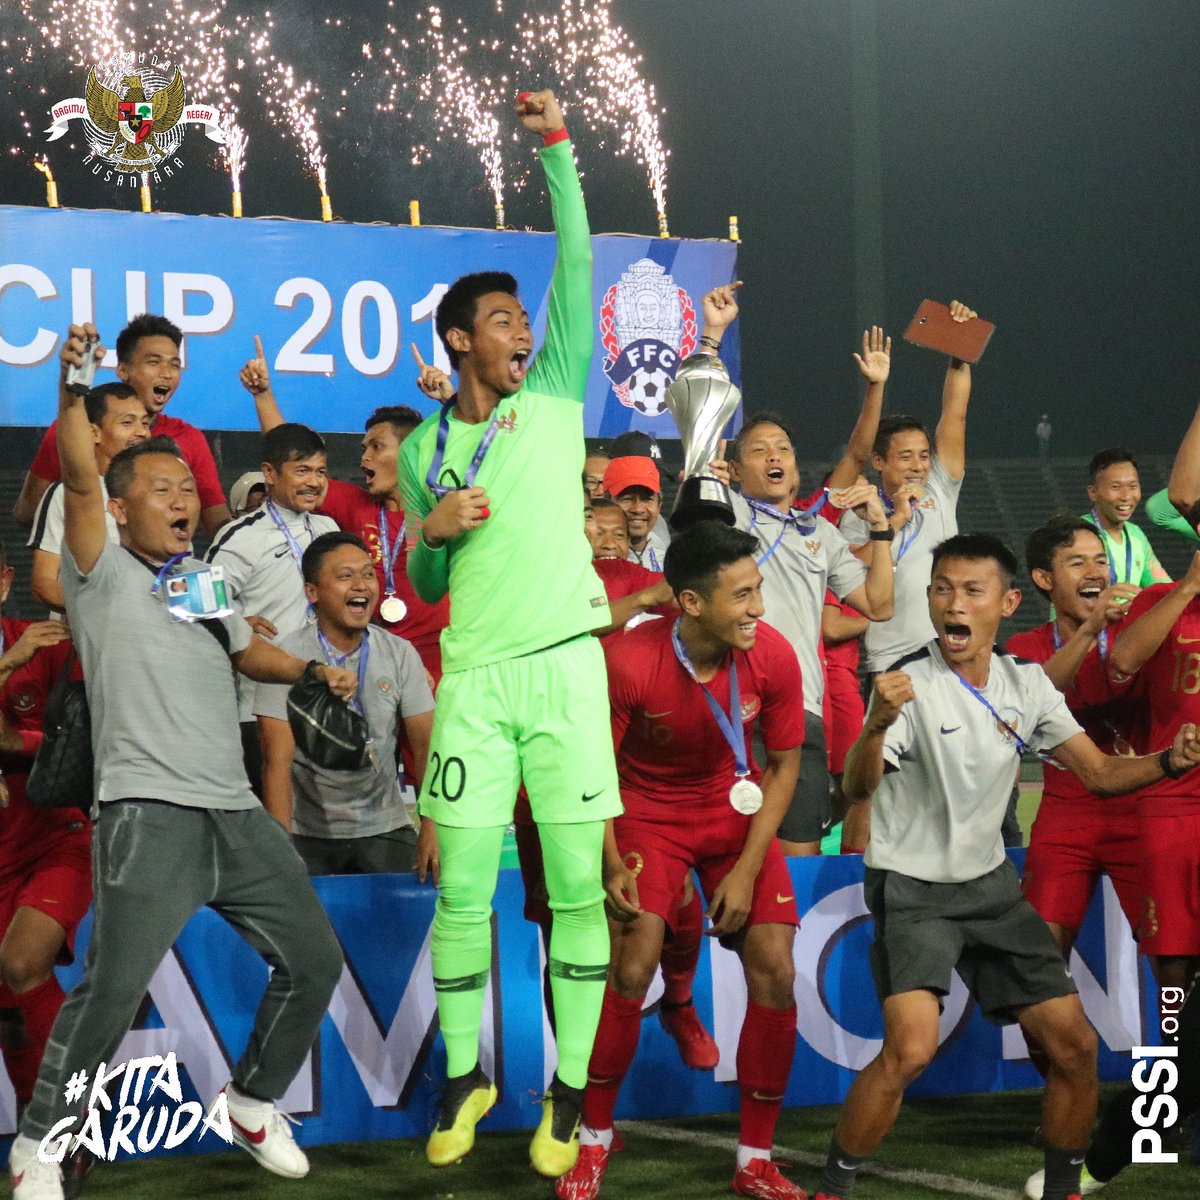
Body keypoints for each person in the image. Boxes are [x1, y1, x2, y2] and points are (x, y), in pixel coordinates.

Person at [8, 324, 354, 1200]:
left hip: (234, 811)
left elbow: (247, 652)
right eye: (157, 489)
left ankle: (251, 1099)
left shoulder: (198, 578)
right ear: (119, 508)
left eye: (183, 489)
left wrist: (312, 667)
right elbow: (81, 472)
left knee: (313, 959)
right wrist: (73, 379)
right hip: (145, 812)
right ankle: (40, 1143)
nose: (180, 500)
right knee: (112, 992)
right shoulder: (97, 566)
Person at [814, 533, 1200, 1200]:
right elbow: (856, 787)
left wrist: (1168, 761)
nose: (952, 604)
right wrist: (876, 724)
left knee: (1075, 1048)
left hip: (991, 889)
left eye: (970, 591)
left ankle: (1063, 1190)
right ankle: (833, 1185)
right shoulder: (906, 683)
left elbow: (1102, 774)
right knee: (910, 1050)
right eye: (941, 590)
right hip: (914, 890)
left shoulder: (1025, 685)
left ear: (1007, 603)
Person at [396, 90, 621, 1179]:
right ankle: (464, 1072)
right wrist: (430, 533)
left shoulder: (555, 397)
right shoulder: (421, 450)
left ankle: (569, 1090)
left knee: (575, 889)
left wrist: (557, 151)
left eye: (524, 321)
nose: (523, 331)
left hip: (568, 675)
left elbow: (577, 263)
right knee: (462, 891)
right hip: (474, 681)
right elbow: (422, 577)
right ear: (458, 339)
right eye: (501, 321)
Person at [555, 523, 806, 1200]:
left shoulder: (774, 656)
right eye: (742, 595)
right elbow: (594, 767)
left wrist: (750, 869)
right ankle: (594, 1144)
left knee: (778, 972)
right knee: (632, 966)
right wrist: (609, 861)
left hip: (734, 810)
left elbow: (783, 767)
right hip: (645, 811)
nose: (758, 608)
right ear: (691, 604)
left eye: (757, 591)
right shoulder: (630, 659)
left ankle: (755, 1160)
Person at [241, 344, 450, 680]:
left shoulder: (442, 507)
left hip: (440, 663)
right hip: (373, 663)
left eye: (376, 446)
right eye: (363, 447)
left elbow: (489, 458)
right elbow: (295, 460)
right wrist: (263, 395)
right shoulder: (355, 505)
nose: (364, 457)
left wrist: (448, 400)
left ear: (412, 452)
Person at [254, 531, 437, 878]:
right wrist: (281, 849)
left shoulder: (399, 654)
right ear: (313, 593)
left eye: (368, 574)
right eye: (344, 576)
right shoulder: (285, 658)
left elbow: (427, 745)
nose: (361, 585)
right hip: (308, 833)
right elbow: (274, 762)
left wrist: (432, 826)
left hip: (385, 825)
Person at [1008, 517, 1142, 956]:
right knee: (1041, 955)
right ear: (1044, 579)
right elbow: (1034, 699)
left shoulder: (1141, 633)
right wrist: (1089, 631)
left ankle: (1178, 1028)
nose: (1095, 573)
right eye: (1077, 562)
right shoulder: (1024, 649)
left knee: (1173, 961)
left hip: (1145, 809)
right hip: (1067, 814)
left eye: (1101, 561)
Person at [837, 301, 978, 679]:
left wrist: (959, 352)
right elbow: (849, 570)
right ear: (879, 462)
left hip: (953, 651)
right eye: (905, 457)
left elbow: (955, 413)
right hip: (892, 660)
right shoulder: (859, 511)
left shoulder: (939, 486)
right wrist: (893, 520)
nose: (918, 465)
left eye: (923, 455)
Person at [0, 543, 88, 1132]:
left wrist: (20, 746)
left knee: (21, 962)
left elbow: (77, 747)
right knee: (9, 1000)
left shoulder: (47, 645)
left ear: (4, 582)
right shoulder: (17, 658)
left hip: (53, 835)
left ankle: (64, 1118)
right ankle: (40, 1126)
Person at [205, 423, 338, 794]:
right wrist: (234, 622)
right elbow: (198, 614)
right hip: (257, 707)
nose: (314, 482)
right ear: (269, 473)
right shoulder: (240, 537)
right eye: (302, 471)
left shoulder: (329, 528)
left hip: (324, 700)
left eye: (320, 471)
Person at [13, 314, 231, 538]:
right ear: (122, 370)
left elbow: (218, 525)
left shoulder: (189, 438)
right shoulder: (70, 430)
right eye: (153, 362)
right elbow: (26, 514)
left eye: (174, 365)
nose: (166, 374)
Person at [1108, 549, 1200, 996]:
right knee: (1170, 961)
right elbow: (1122, 661)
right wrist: (1189, 587)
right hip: (1174, 802)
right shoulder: (1162, 599)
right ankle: (1165, 1066)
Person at [28, 383, 150, 612]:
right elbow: (43, 584)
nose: (142, 432)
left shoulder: (161, 495)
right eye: (127, 422)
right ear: (94, 433)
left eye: (145, 423)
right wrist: (98, 615)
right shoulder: (64, 496)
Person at [1081, 448, 1171, 586]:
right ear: (1093, 492)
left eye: (1132, 486)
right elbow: (1062, 596)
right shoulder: (1077, 533)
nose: (1126, 496)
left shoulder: (1136, 535)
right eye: (1116, 487)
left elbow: (1162, 587)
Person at [603, 456, 669, 571]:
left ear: (659, 506)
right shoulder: (589, 557)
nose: (638, 509)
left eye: (647, 499)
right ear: (607, 504)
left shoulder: (668, 558)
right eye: (627, 499)